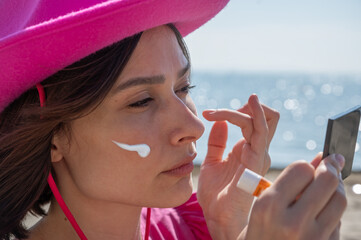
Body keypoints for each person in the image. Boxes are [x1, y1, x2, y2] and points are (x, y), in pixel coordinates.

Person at [0, 0, 346, 239]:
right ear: (54, 136)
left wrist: (230, 225)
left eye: (183, 87)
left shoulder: (195, 226)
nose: (194, 127)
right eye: (142, 101)